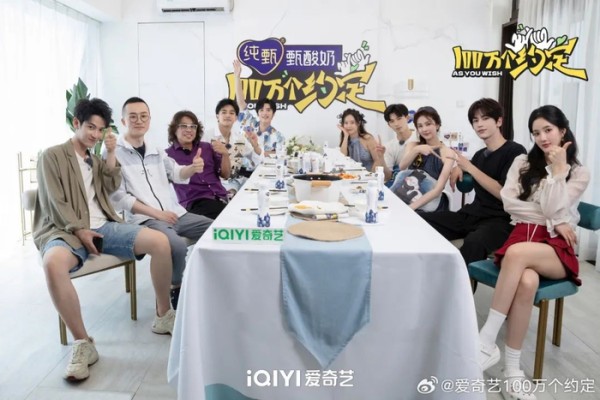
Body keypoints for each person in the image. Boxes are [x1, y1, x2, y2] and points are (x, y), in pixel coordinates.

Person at [34, 98, 175, 381]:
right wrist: (79, 230)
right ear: (76, 123)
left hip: (104, 227)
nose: (95, 135)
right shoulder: (51, 156)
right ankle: (83, 343)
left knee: (161, 242)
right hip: (64, 230)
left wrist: (110, 153)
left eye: (100, 130)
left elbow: (111, 185)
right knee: (52, 263)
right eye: (90, 127)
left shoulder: (94, 159)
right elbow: (54, 202)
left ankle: (163, 315)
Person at [478, 105, 589, 400]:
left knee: (516, 255)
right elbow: (509, 203)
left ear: (562, 131)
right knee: (526, 281)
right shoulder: (522, 162)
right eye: (536, 132)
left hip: (555, 246)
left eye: (548, 130)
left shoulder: (579, 173)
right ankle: (512, 373)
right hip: (523, 237)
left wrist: (558, 172)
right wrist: (555, 218)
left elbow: (552, 208)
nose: (542, 138)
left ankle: (485, 341)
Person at [110, 97, 213, 311]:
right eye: (133, 116)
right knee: (176, 245)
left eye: (143, 116)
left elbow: (176, 173)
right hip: (146, 219)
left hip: (174, 213)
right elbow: (119, 198)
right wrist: (158, 214)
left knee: (215, 230)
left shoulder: (155, 149)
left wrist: (192, 168)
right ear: (123, 121)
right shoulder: (114, 153)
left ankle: (204, 283)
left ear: (149, 119)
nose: (139, 120)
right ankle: (176, 287)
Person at [420, 98, 526, 265]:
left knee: (474, 242)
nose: (479, 124)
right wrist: (459, 167)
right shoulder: (479, 155)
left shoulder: (515, 151)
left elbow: (503, 193)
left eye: (485, 118)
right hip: (472, 215)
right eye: (475, 120)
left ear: (499, 121)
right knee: (422, 220)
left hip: (500, 220)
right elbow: (470, 167)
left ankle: (460, 281)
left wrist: (469, 167)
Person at [165, 110, 230, 219]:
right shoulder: (167, 155)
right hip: (195, 203)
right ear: (174, 129)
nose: (189, 130)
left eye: (193, 126)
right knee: (228, 217)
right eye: (184, 126)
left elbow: (226, 175)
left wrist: (225, 155)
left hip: (221, 197)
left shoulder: (207, 147)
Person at [390, 106, 454, 212]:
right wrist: (417, 150)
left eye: (428, 124)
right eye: (420, 126)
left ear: (437, 125)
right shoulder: (413, 146)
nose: (424, 129)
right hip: (406, 195)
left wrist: (410, 208)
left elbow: (437, 191)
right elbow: (402, 167)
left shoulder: (447, 153)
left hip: (430, 202)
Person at [233, 59, 284, 175]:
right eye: (261, 110)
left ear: (273, 113)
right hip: (240, 173)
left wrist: (265, 152)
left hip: (263, 174)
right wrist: (237, 77)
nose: (265, 113)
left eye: (268, 110)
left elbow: (279, 156)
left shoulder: (278, 136)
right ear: (257, 113)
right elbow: (240, 102)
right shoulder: (249, 122)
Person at [210, 98, 262, 197]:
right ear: (217, 116)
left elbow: (257, 162)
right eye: (224, 112)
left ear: (236, 117)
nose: (228, 115)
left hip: (235, 183)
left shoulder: (239, 138)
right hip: (212, 185)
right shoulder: (208, 136)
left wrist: (255, 145)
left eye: (231, 113)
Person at [338, 108, 385, 172]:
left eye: (352, 122)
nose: (349, 126)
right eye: (346, 123)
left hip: (369, 175)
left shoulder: (368, 138)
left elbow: (377, 160)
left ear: (358, 123)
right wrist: (345, 136)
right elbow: (342, 159)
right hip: (351, 176)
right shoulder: (345, 140)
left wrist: (371, 175)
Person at [379, 103, 415, 182]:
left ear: (407, 118)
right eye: (392, 121)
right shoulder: (389, 147)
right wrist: (381, 158)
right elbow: (387, 177)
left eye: (399, 118)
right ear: (389, 125)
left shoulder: (420, 138)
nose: (396, 124)